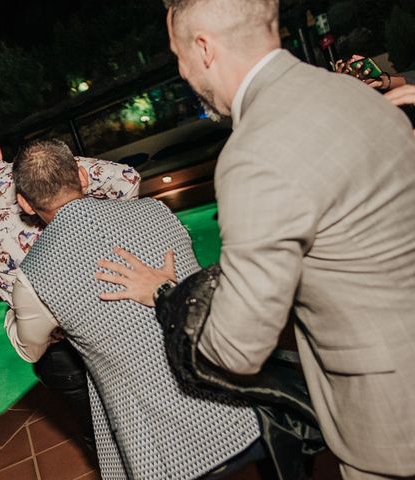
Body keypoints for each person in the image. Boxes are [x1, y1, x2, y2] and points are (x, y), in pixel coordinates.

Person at [94, 1, 415, 479]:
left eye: (177, 54)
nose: (180, 70)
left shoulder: (254, 153)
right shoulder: (357, 94)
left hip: (390, 414)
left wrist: (172, 295)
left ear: (203, 49)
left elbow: (237, 347)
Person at [8, 139, 276, 480]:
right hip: (236, 404)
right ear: (82, 176)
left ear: (24, 204)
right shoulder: (157, 210)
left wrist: (11, 313)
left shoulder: (33, 275)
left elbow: (29, 348)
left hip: (161, 447)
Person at [0, 114, 141, 449]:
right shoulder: (40, 170)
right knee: (145, 413)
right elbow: (126, 179)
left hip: (56, 348)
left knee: (104, 439)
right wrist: (101, 233)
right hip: (110, 313)